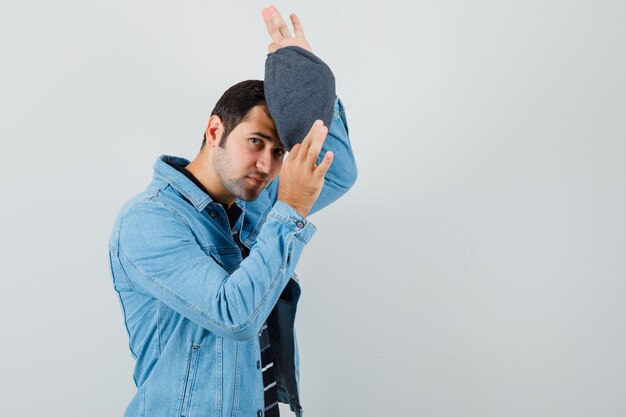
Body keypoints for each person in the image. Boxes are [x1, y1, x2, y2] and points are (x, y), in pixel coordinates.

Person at [108, 6, 357, 417]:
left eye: (279, 152)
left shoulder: (250, 205)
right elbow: (232, 316)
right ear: (214, 131)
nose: (267, 165)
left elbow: (338, 171)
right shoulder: (148, 220)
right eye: (256, 142)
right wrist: (291, 208)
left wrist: (310, 87)